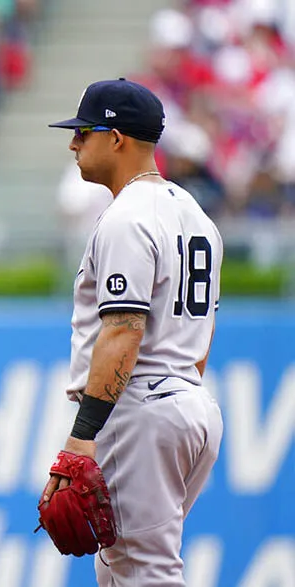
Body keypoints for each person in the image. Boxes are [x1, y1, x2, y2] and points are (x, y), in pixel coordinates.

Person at [40, 78, 224, 586]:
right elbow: (203, 336)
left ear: (116, 138)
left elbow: (124, 330)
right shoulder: (196, 216)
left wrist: (82, 438)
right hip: (190, 402)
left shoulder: (128, 218)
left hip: (140, 408)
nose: (75, 143)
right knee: (122, 568)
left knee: (144, 574)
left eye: (85, 132)